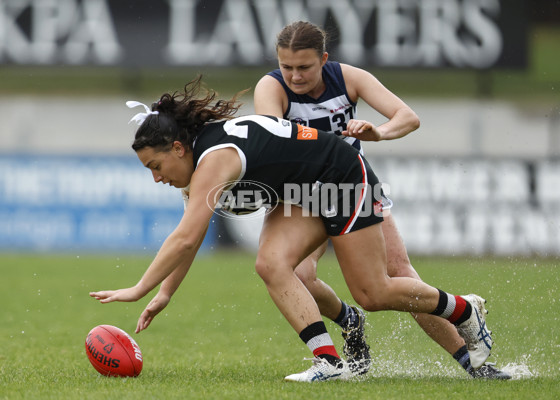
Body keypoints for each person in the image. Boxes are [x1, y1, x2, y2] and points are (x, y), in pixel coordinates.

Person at [90, 76, 495, 382]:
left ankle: (464, 309)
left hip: (339, 175)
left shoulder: (213, 159)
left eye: (155, 167)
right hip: (302, 192)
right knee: (271, 264)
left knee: (373, 292)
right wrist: (164, 294)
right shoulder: (198, 171)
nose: (157, 178)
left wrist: (139, 288)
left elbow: (185, 238)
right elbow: (188, 240)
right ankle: (329, 362)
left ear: (178, 148)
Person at [253, 20, 510, 380]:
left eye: (304, 67)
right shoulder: (271, 86)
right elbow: (276, 138)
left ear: (324, 59)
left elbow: (408, 117)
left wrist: (378, 132)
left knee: (398, 277)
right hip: (302, 194)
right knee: (294, 274)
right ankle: (346, 322)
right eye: (287, 67)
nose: (294, 76)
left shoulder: (348, 78)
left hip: (351, 187)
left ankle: (472, 361)